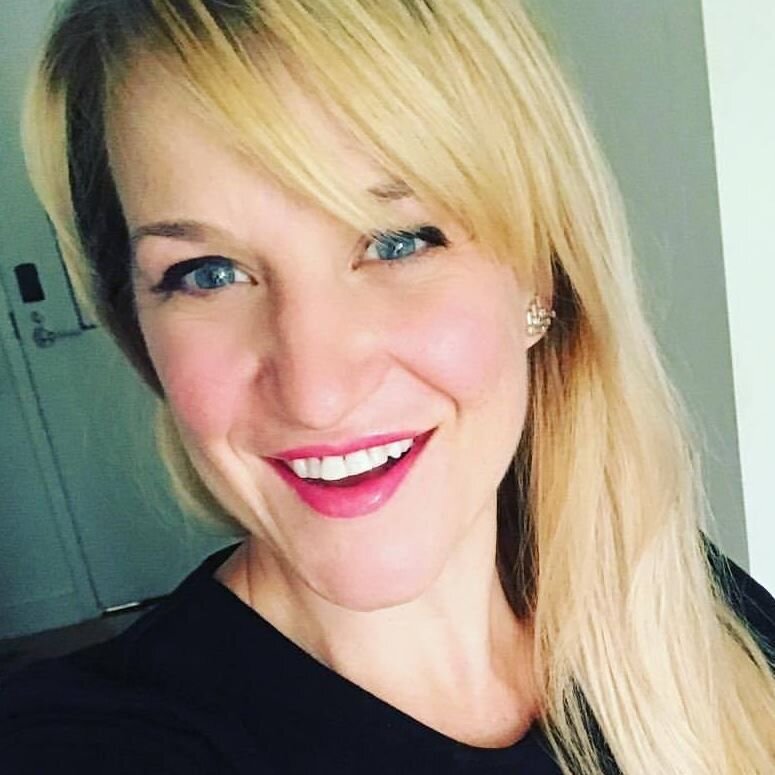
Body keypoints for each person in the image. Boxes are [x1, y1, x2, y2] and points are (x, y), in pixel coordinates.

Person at [1, 0, 773, 772]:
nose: (316, 393)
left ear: (537, 274)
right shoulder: (88, 739)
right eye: (208, 273)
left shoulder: (684, 607)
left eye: (398, 242)